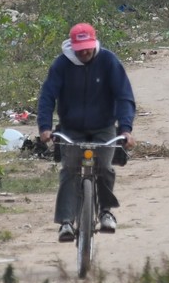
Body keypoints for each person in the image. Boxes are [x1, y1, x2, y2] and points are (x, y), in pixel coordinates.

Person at [36, 22, 136, 243]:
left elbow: (124, 97)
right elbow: (47, 97)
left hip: (104, 126)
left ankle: (106, 211)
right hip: (72, 128)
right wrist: (44, 128)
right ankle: (66, 222)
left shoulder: (109, 61)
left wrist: (126, 129)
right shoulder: (61, 65)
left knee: (105, 168)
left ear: (94, 42)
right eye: (80, 49)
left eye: (88, 47)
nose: (85, 52)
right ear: (73, 46)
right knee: (70, 171)